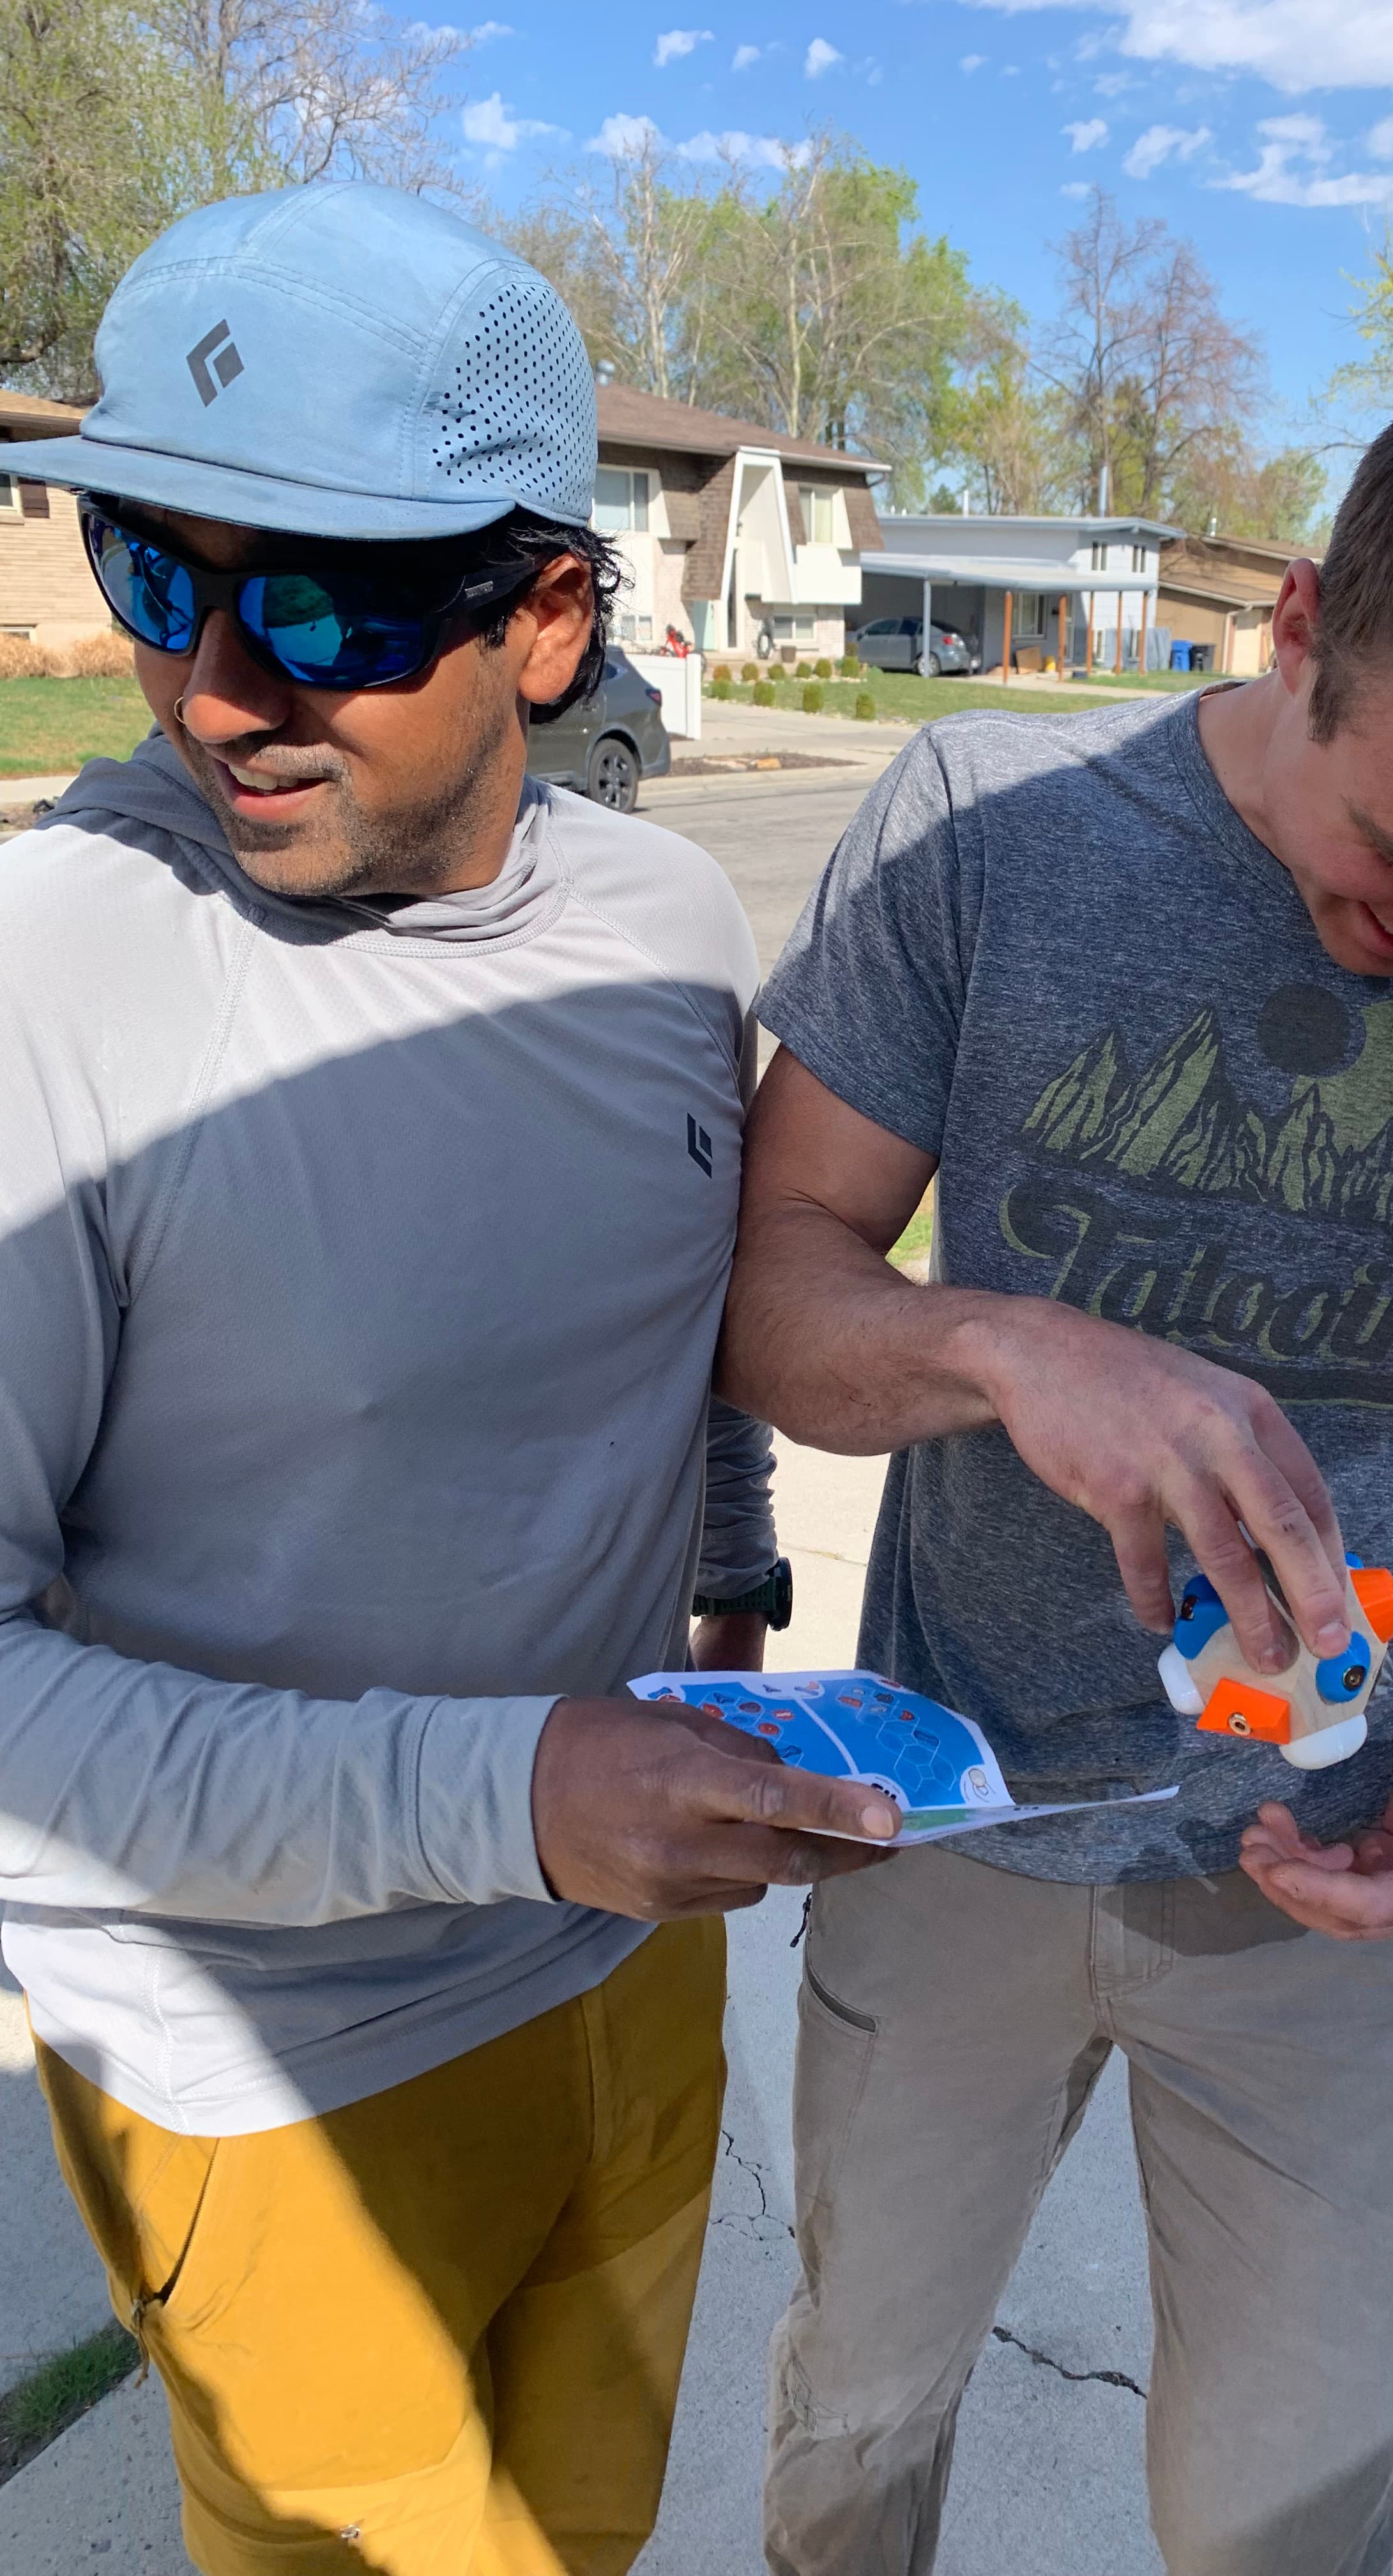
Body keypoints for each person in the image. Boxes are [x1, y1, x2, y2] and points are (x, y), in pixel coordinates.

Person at [721, 349, 1393, 2576]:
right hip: (952, 1820)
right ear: (1298, 624)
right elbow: (769, 1293)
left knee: (1289, 2521)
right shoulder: (987, 832)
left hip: (1349, 1875)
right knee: (853, 2433)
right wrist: (1002, 1347)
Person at [0, 182, 899, 2576]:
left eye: (318, 602)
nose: (213, 687)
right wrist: (514, 1793)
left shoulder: (659, 916)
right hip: (268, 2068)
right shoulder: (57, 988)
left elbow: (672, 1284)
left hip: (623, 1977)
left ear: (548, 617)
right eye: (157, 577)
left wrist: (729, 1566)